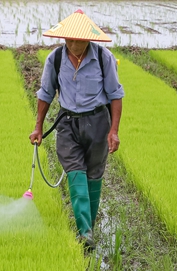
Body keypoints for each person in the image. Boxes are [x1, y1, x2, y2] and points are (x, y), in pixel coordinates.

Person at [29, 10, 124, 250]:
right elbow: (46, 93)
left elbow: (115, 95)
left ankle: (87, 228)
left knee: (93, 175)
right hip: (68, 123)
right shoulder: (56, 59)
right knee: (75, 172)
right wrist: (38, 127)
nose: (73, 45)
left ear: (89, 39)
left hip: (97, 122)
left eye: (78, 40)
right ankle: (84, 232)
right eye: (68, 40)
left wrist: (113, 131)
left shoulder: (104, 59)